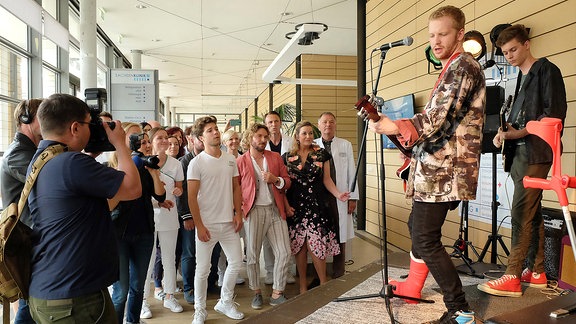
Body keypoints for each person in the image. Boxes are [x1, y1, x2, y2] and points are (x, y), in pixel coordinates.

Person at [368, 5, 485, 323]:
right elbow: (443, 126)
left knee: (424, 237)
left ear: (459, 34)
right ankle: (413, 287)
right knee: (416, 228)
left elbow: (438, 117)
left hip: (445, 171)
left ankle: (460, 310)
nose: (435, 40)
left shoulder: (463, 65)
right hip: (435, 168)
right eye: (432, 35)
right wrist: (405, 139)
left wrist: (396, 126)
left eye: (443, 34)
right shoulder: (450, 67)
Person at [26, 94, 142, 323]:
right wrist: (120, 143)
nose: (94, 131)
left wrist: (89, 155)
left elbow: (84, 205)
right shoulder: (71, 163)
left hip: (53, 291)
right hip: (75, 299)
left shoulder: (42, 160)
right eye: (91, 124)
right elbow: (133, 188)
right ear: (75, 128)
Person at [477, 24, 567, 297]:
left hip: (538, 151)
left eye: (514, 49)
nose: (510, 55)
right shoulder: (521, 78)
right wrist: (504, 135)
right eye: (506, 52)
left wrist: (518, 132)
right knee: (531, 211)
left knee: (519, 212)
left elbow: (554, 117)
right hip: (521, 152)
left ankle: (512, 275)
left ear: (527, 44)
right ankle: (537, 271)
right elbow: (521, 121)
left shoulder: (547, 70)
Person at [188, 116, 245, 324]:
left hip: (229, 222)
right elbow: (191, 197)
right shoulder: (196, 163)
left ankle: (225, 301)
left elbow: (236, 187)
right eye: (210, 130)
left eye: (216, 129)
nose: (215, 132)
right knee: (203, 270)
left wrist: (238, 213)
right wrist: (200, 225)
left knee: (236, 262)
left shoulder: (230, 159)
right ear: (201, 138)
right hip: (207, 225)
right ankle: (200, 310)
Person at [109, 123, 167, 324]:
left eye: (146, 141)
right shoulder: (118, 167)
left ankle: (132, 321)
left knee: (138, 287)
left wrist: (153, 172)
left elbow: (160, 195)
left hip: (144, 233)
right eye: (140, 141)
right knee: (121, 291)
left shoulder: (146, 166)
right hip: (121, 235)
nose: (146, 145)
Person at [283, 120, 350, 293]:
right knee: (300, 247)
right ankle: (303, 286)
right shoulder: (287, 156)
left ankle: (323, 285)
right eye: (304, 133)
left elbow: (327, 179)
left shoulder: (322, 154)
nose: (308, 136)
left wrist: (338, 194)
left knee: (317, 245)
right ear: (297, 136)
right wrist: (285, 205)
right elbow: (283, 184)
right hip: (296, 207)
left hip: (317, 206)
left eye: (311, 133)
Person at [237, 123, 292, 309]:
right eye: (259, 136)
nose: (263, 139)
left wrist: (275, 180)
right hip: (253, 212)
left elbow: (287, 182)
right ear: (250, 137)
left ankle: (277, 292)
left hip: (275, 209)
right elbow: (235, 189)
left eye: (265, 136)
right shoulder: (241, 161)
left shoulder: (275, 157)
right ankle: (256, 292)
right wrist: (239, 212)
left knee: (284, 252)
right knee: (252, 255)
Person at [1, 98, 43, 324]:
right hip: (25, 238)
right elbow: (47, 179)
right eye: (42, 116)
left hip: (31, 236)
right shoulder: (17, 153)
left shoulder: (33, 150)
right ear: (25, 120)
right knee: (30, 302)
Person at [177, 126, 223, 305]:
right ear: (194, 139)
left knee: (214, 251)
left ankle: (211, 284)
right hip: (192, 215)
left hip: (212, 215)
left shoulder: (214, 159)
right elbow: (182, 192)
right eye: (202, 136)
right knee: (190, 252)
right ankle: (189, 288)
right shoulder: (186, 161)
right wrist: (187, 216)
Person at [142, 127, 185, 314]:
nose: (164, 141)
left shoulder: (176, 164)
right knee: (147, 260)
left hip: (169, 215)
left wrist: (178, 191)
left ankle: (169, 296)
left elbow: (180, 188)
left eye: (166, 138)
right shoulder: (143, 162)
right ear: (151, 142)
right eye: (159, 138)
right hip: (148, 215)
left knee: (169, 257)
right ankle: (142, 300)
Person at [314, 112, 359, 279]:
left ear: (335, 125)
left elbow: (351, 173)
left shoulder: (345, 145)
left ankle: (339, 272)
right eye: (324, 122)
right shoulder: (313, 145)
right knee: (320, 233)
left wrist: (353, 198)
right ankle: (320, 274)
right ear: (318, 125)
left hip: (341, 196)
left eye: (331, 122)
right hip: (319, 196)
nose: (328, 125)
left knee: (340, 234)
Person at [263, 111, 296, 285]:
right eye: (270, 122)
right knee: (269, 237)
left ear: (280, 123)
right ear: (266, 124)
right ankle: (269, 271)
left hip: (288, 190)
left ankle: (287, 270)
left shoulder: (291, 141)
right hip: (269, 193)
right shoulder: (262, 144)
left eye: (276, 121)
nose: (273, 125)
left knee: (287, 235)